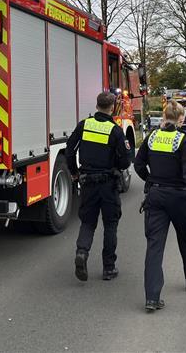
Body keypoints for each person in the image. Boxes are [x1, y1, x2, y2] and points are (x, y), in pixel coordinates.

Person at [134, 100, 186, 312]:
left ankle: (152, 297)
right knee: (185, 239)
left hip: (156, 195)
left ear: (164, 117)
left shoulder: (151, 138)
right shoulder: (183, 141)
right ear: (180, 119)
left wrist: (150, 180)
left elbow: (138, 164)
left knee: (154, 246)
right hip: (179, 197)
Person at [65, 92, 132, 282]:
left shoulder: (84, 125)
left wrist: (74, 172)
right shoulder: (115, 130)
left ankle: (82, 253)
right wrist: (116, 166)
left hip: (87, 182)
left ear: (96, 106)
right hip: (109, 184)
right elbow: (126, 160)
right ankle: (108, 268)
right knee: (110, 225)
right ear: (112, 108)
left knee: (87, 222)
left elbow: (70, 150)